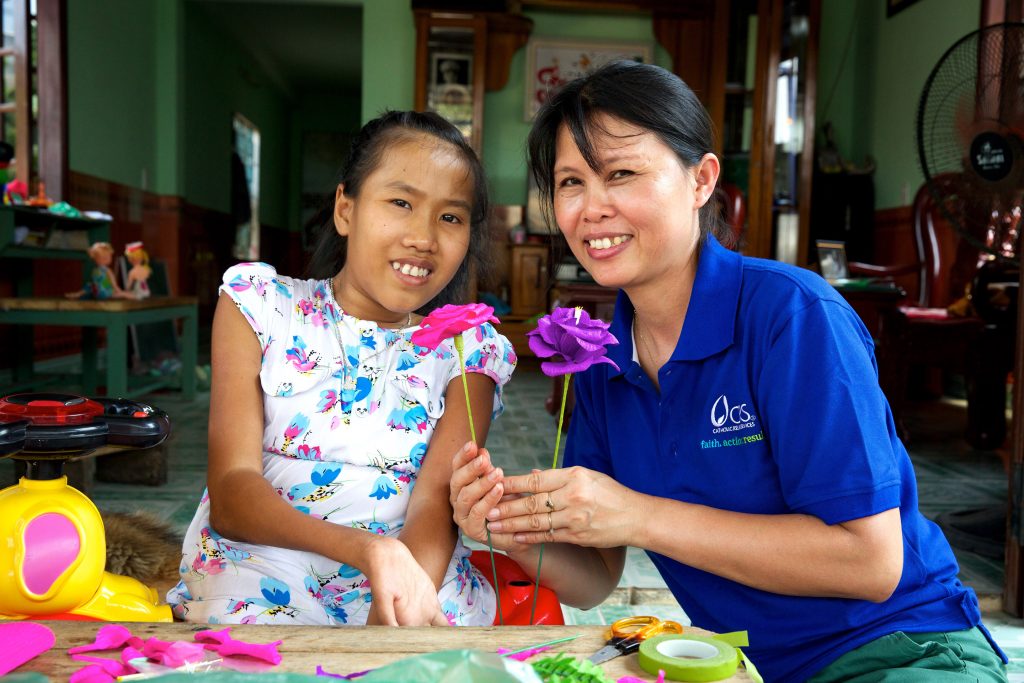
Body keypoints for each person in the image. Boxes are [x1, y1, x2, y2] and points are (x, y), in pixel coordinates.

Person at [450, 61, 1008, 682]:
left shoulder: (793, 317)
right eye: (570, 182)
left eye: (623, 173)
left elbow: (872, 564)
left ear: (701, 180)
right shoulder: (603, 360)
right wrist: (512, 529)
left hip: (898, 651)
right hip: (740, 667)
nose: (591, 208)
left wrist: (637, 513)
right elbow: (595, 576)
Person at [169, 110, 516, 627]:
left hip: (413, 569)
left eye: (451, 217)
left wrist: (394, 610)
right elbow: (233, 494)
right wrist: (369, 551)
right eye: (401, 203)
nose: (424, 236)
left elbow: (432, 510)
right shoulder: (260, 306)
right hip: (262, 559)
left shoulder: (468, 351)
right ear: (345, 210)